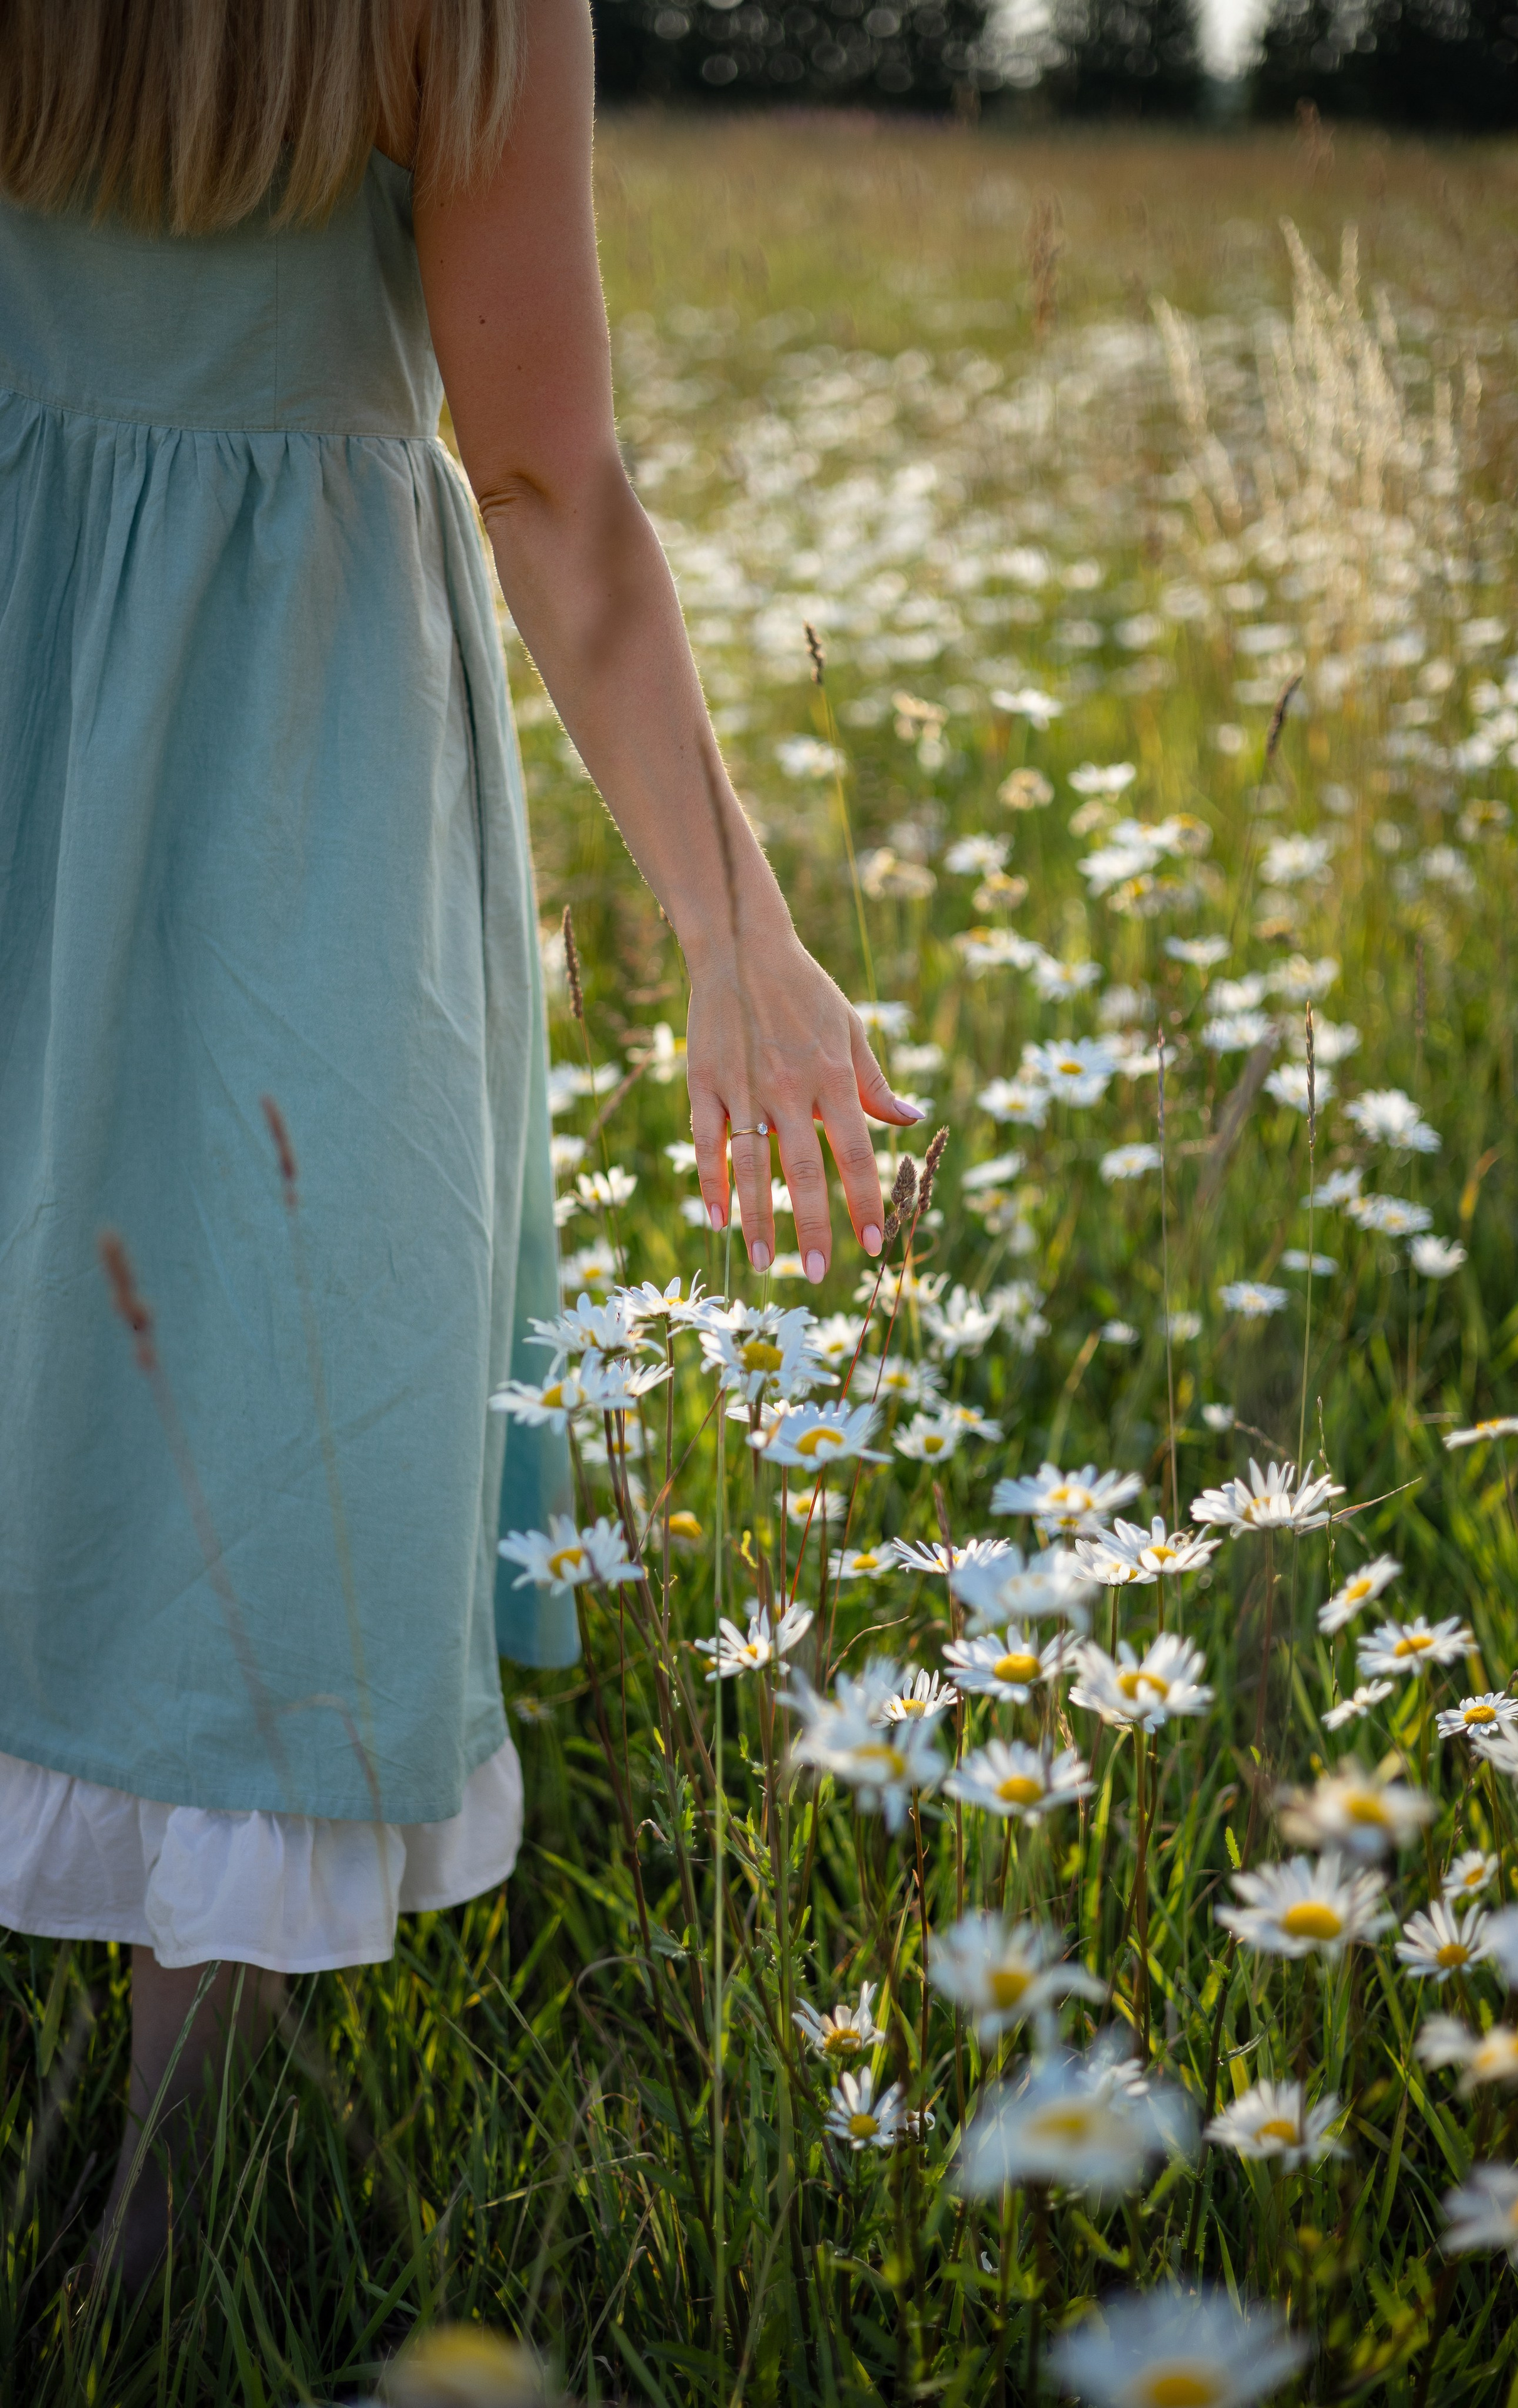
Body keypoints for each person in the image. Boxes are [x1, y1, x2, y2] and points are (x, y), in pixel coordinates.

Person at [0, 0, 918, 2288]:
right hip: (285, 712)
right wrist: (740, 937)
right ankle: (172, 2188)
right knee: (256, 1368)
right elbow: (543, 476)